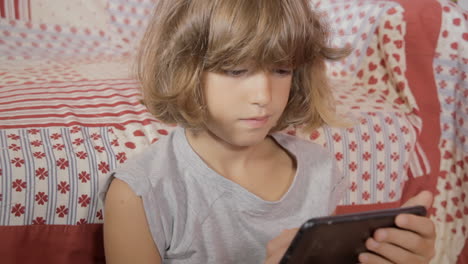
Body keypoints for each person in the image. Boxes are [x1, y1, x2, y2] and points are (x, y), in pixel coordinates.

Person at [101, 0, 436, 263]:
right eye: (235, 70)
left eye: (281, 69)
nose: (263, 96)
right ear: (183, 68)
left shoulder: (319, 169)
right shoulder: (140, 192)